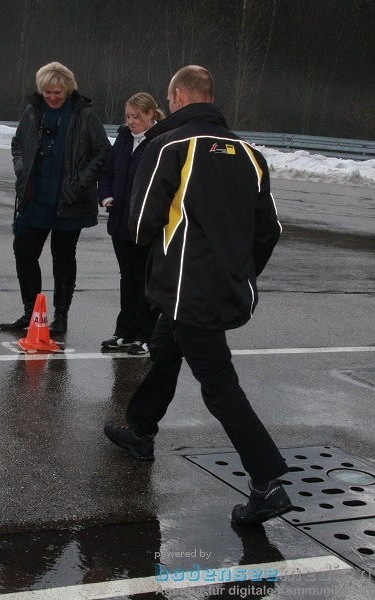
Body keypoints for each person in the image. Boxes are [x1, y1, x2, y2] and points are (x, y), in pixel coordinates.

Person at [103, 66, 293, 526]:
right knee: (166, 350)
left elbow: (142, 222)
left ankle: (267, 481)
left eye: (170, 100)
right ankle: (141, 430)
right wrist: (237, 272)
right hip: (214, 286)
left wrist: (160, 264)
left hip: (188, 287)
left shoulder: (168, 146)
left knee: (219, 386)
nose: (168, 107)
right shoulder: (250, 154)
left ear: (180, 96)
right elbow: (269, 230)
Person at [0, 62, 111, 334]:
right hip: (34, 196)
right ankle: (31, 313)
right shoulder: (32, 109)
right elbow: (18, 145)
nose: (52, 97)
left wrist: (79, 182)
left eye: (58, 93)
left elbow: (103, 151)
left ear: (68, 90)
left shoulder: (83, 114)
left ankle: (61, 317)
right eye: (48, 91)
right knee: (23, 252)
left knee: (63, 258)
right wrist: (22, 169)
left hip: (69, 201)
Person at [97, 93, 165, 355]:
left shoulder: (161, 142)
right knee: (128, 279)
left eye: (136, 116)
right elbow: (108, 171)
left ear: (150, 115)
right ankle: (123, 332)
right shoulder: (124, 138)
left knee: (144, 280)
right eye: (127, 116)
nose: (131, 121)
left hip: (146, 226)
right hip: (120, 223)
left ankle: (144, 336)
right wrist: (106, 197)